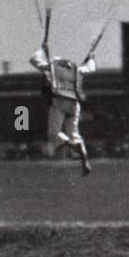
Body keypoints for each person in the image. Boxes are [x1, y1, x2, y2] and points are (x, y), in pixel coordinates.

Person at [29, 47, 96, 175]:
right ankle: (84, 161)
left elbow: (33, 60)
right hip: (75, 103)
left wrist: (41, 50)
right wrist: (91, 58)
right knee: (74, 133)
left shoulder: (52, 67)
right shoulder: (75, 68)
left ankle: (72, 146)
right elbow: (91, 67)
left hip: (60, 101)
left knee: (54, 134)